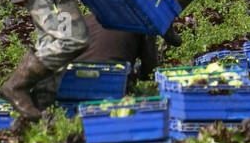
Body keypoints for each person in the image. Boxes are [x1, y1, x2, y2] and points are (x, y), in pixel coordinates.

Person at [31, 14, 159, 108]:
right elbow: (150, 71)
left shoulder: (85, 20)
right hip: (111, 83)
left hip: (73, 83)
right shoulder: (139, 23)